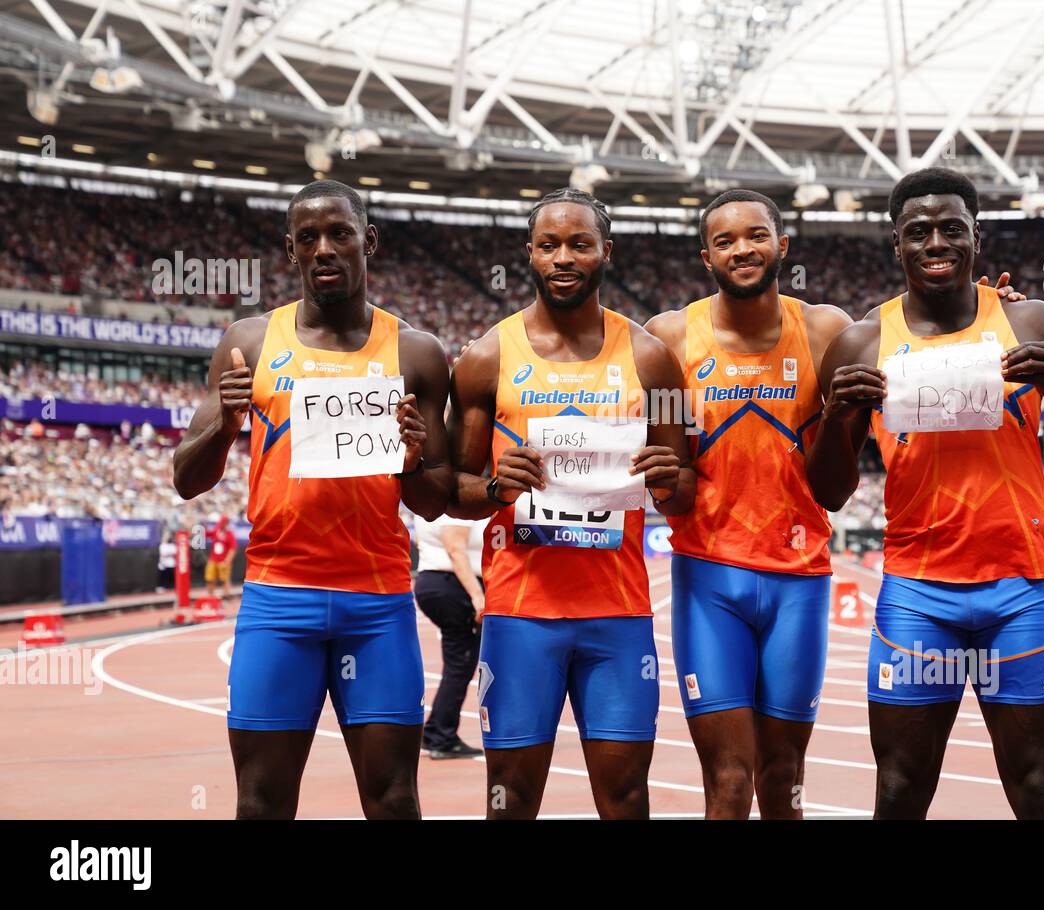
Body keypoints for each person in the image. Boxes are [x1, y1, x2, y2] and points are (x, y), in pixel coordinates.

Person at [644, 188, 1023, 820]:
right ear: (705, 256)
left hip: (800, 578)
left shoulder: (827, 330)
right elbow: (671, 485)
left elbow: (919, 338)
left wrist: (989, 308)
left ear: (782, 245)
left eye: (756, 236)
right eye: (726, 240)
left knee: (785, 779)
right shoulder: (668, 337)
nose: (743, 249)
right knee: (729, 785)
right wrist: (662, 478)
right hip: (709, 576)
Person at [806, 167, 1044, 820]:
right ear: (896, 244)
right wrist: (840, 418)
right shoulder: (862, 341)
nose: (936, 242)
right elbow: (829, 493)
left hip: (1019, 591)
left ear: (975, 239)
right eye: (919, 231)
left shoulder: (1030, 320)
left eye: (951, 229)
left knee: (1040, 788)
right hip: (917, 595)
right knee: (900, 790)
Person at [172, 179, 452, 820]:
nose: (324, 248)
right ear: (290, 250)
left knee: (394, 799)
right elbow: (187, 478)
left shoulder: (415, 353)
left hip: (376, 604)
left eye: (340, 234)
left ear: (368, 241)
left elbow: (433, 501)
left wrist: (412, 460)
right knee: (262, 802)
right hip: (278, 599)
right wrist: (223, 423)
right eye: (307, 238)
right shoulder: (249, 343)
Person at [447, 188, 695, 820]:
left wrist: (669, 477)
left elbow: (684, 488)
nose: (564, 257)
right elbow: (452, 490)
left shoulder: (652, 360)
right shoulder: (485, 359)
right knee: (511, 799)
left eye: (579, 244)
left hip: (616, 614)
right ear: (529, 254)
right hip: (520, 614)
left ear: (604, 252)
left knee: (625, 798)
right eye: (549, 245)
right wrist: (498, 487)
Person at [413, 512, 489, 759]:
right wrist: (478, 596)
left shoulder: (432, 502)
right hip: (451, 584)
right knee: (461, 663)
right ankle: (439, 735)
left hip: (439, 582)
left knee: (460, 663)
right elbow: (455, 549)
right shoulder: (455, 505)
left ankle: (437, 732)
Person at [204, 514, 236, 601]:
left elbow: (233, 548)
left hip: (223, 560)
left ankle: (226, 596)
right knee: (210, 578)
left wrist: (227, 560)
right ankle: (210, 596)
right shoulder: (216, 530)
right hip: (213, 559)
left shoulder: (230, 534)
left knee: (224, 580)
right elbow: (206, 534)